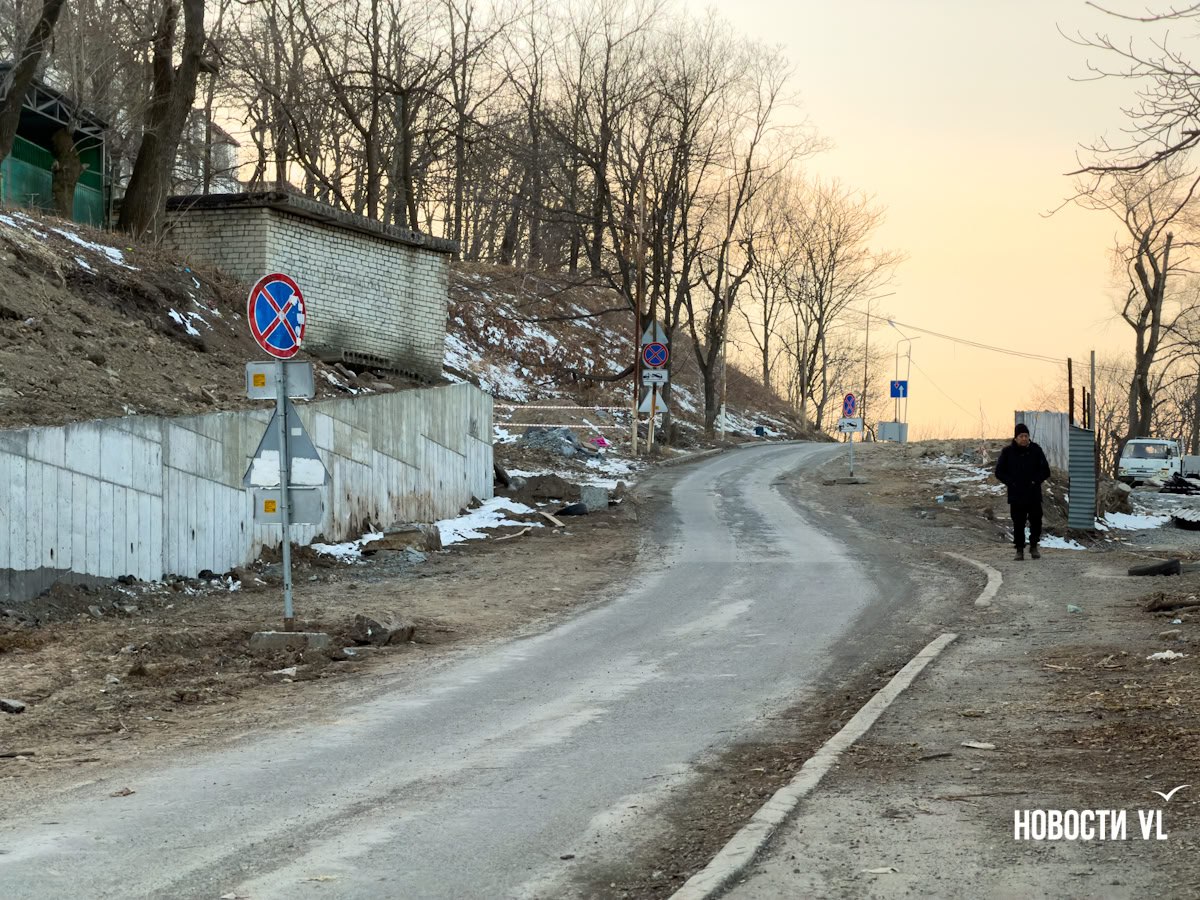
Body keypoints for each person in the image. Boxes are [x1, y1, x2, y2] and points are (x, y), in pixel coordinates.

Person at [994, 423, 1051, 560]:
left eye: (1026, 436)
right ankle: (1019, 549)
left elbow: (1045, 471)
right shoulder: (1007, 452)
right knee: (1018, 523)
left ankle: (1033, 546)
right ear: (1016, 438)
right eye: (1021, 436)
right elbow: (999, 472)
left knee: (1036, 521)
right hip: (1016, 495)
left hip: (1033, 494)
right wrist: (1011, 482)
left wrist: (1035, 481)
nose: (1024, 438)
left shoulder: (1036, 450)